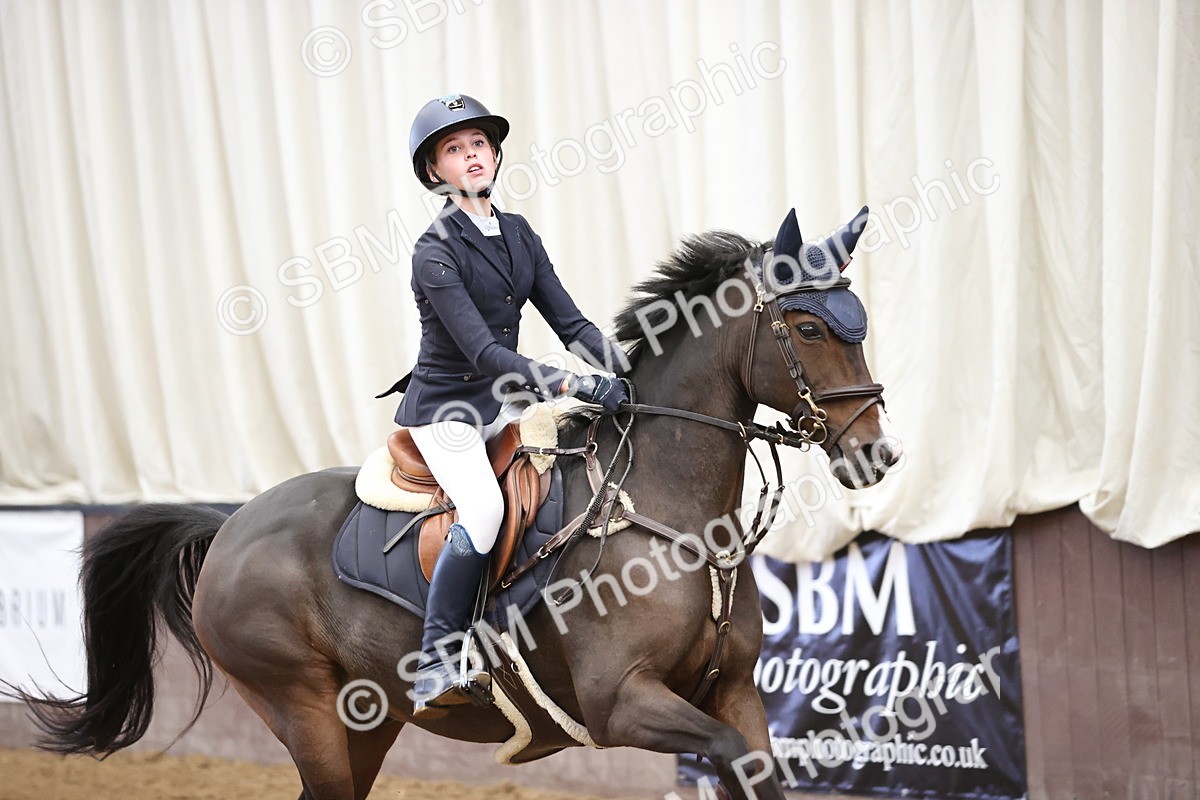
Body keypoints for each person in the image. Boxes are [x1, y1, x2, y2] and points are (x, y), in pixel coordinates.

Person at [383, 93, 630, 718]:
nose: (472, 156)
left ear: (495, 155)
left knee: (567, 473)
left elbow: (572, 324)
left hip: (502, 401)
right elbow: (487, 352)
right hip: (448, 412)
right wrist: (575, 385)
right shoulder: (433, 250)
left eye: (479, 145)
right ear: (435, 172)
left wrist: (629, 367)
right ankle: (437, 660)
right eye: (455, 149)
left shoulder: (519, 233)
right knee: (486, 508)